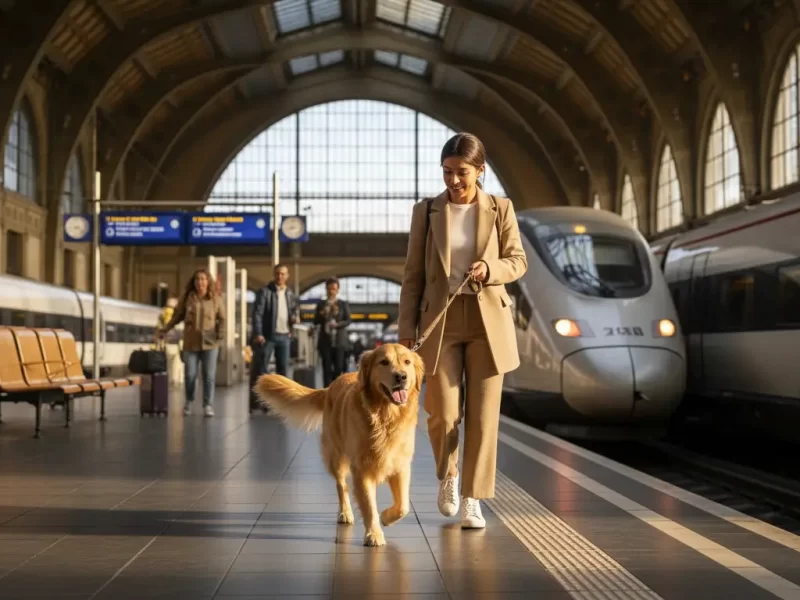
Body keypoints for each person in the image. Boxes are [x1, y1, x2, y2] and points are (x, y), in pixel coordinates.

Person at [397, 132, 527, 530]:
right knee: (441, 414)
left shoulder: (501, 208)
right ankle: (448, 477)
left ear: (480, 170)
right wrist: (406, 332)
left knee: (485, 419)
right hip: (441, 322)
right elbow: (413, 275)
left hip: (490, 322)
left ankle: (473, 497)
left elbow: (517, 261)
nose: (454, 181)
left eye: (462, 173)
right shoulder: (427, 211)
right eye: (447, 172)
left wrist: (491, 270)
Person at [159, 269, 225, 417]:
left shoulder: (216, 299)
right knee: (190, 375)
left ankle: (208, 404)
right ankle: (189, 401)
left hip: (210, 344)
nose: (200, 282)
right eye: (197, 279)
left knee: (209, 376)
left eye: (203, 279)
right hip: (190, 343)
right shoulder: (187, 298)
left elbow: (223, 318)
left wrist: (220, 335)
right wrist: (166, 329)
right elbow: (177, 316)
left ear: (208, 282)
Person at [249, 264, 299, 409]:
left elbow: (293, 312)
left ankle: (281, 401)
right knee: (263, 370)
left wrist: (294, 319)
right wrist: (258, 333)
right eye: (277, 273)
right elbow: (257, 314)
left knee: (283, 371)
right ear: (274, 274)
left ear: (287, 276)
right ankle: (265, 402)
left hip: (284, 336)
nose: (280, 276)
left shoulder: (290, 294)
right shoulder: (265, 292)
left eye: (283, 274)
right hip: (268, 336)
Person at [314, 277, 351, 386]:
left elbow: (348, 320)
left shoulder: (343, 304)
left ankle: (338, 393)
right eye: (329, 289)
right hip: (325, 342)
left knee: (339, 369)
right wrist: (322, 313)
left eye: (334, 289)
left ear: (338, 290)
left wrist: (338, 324)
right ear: (326, 289)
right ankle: (326, 394)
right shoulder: (321, 304)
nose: (331, 291)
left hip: (340, 342)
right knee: (326, 370)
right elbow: (315, 321)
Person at [157, 297, 183, 387]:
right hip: (176, 344)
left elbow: (159, 330)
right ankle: (175, 381)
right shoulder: (177, 314)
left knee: (168, 366)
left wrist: (160, 342)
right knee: (176, 365)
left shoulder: (162, 314)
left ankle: (168, 380)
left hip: (167, 344)